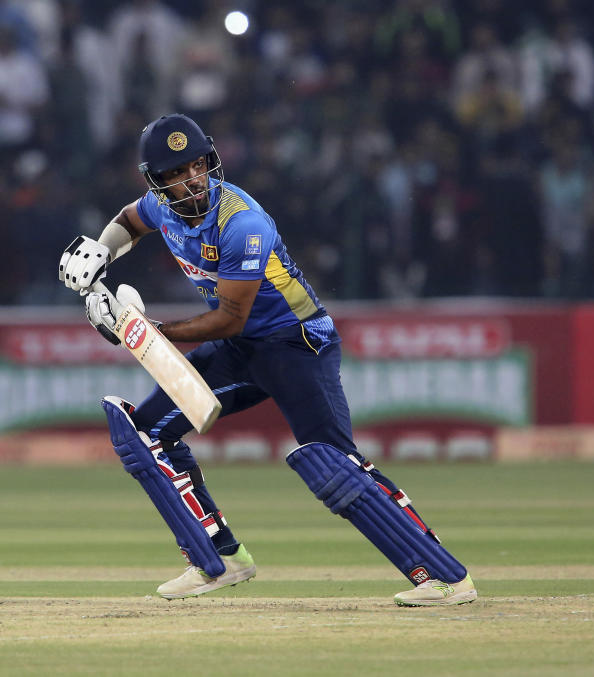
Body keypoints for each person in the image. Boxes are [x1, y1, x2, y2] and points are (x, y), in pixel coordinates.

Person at [59, 114, 476, 606]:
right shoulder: (160, 207)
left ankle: (445, 577)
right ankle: (218, 559)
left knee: (334, 464)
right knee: (146, 432)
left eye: (196, 166)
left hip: (298, 343)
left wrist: (147, 333)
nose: (191, 180)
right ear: (157, 181)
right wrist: (100, 253)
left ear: (209, 161)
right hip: (244, 351)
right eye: (175, 173)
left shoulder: (242, 222)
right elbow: (129, 220)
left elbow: (231, 318)